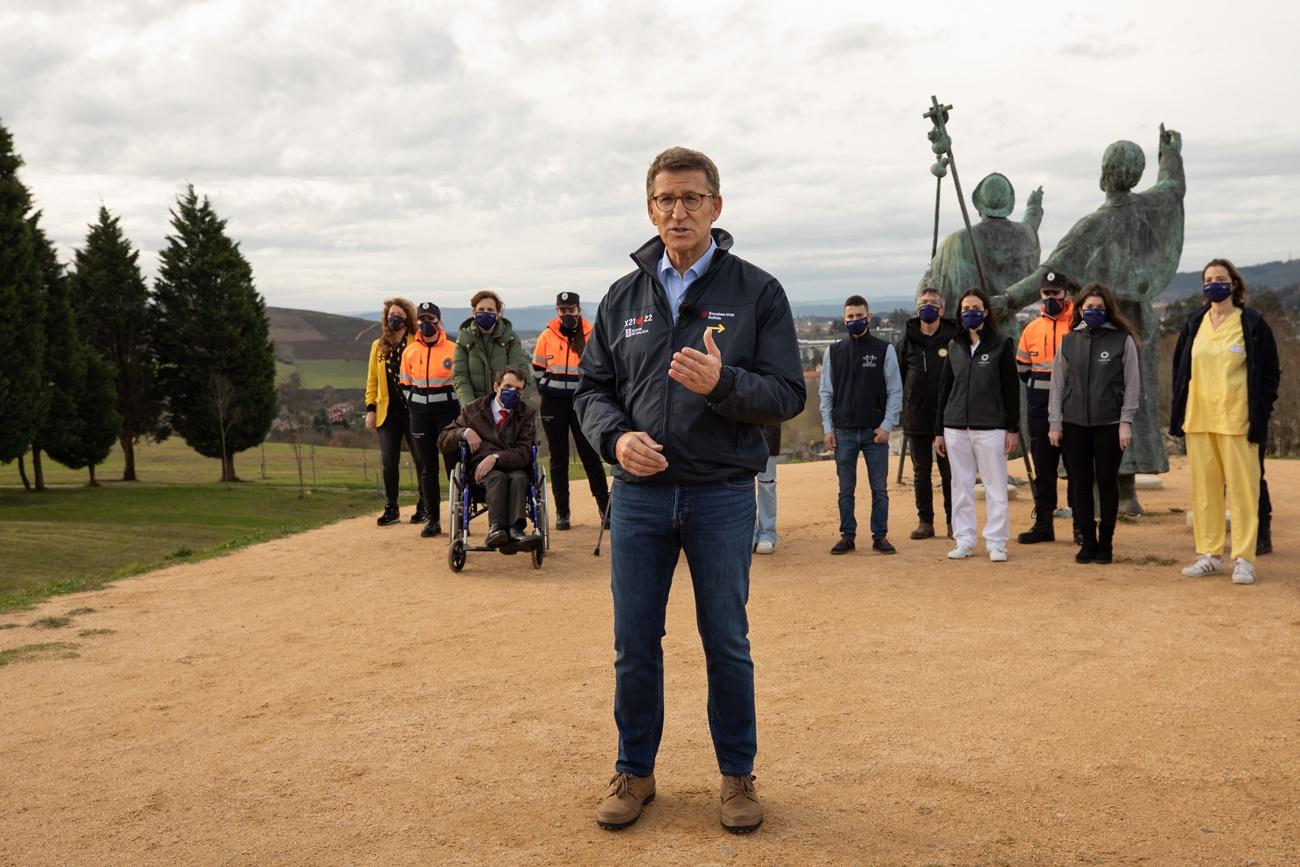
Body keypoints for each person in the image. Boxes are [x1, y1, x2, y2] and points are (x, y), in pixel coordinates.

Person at [575, 146, 805, 834]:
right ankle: (635, 771)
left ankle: (737, 778)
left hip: (721, 495)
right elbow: (592, 389)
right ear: (651, 208)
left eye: (692, 198)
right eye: (666, 199)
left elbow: (788, 393)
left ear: (716, 206)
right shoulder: (622, 297)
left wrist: (723, 384)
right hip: (640, 498)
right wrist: (615, 439)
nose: (679, 210)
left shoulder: (757, 292)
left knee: (725, 639)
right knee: (634, 641)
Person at [1169, 259, 1280, 585]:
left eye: (1220, 278)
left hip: (1237, 421)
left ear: (1233, 284)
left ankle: (1244, 558)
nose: (1213, 284)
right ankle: (1209, 555)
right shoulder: (1195, 322)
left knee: (1245, 492)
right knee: (1205, 492)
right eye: (1208, 279)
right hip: (1200, 419)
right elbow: (1180, 371)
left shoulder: (1252, 323)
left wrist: (1260, 410)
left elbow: (1271, 374)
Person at [1047, 283, 1140, 564]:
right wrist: (1055, 423)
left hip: (1109, 423)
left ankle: (1106, 543)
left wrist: (1126, 421)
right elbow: (1057, 386)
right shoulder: (1069, 341)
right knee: (1081, 484)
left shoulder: (1122, 340)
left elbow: (1132, 384)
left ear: (1108, 309)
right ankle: (1087, 541)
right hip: (1074, 424)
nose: (1094, 312)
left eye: (1099, 308)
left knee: (1107, 482)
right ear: (1080, 310)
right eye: (1089, 308)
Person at [935, 287, 1020, 562]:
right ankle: (965, 539)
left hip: (991, 427)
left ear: (985, 312)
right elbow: (945, 389)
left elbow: (1010, 388)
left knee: (995, 487)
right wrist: (939, 430)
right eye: (965, 309)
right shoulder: (954, 345)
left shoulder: (1001, 343)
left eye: (976, 308)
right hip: (956, 426)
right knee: (960, 486)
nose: (970, 313)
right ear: (959, 314)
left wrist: (1012, 427)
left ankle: (996, 542)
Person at [820, 296, 902, 555]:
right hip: (843, 432)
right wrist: (827, 428)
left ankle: (880, 536)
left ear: (869, 317)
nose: (855, 320)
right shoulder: (833, 352)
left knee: (879, 489)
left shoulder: (883, 350)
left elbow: (895, 391)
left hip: (875, 433)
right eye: (850, 316)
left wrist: (888, 425)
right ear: (844, 319)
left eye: (859, 316)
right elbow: (826, 393)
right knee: (846, 490)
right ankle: (848, 536)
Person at [436, 365, 541, 551]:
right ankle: (497, 530)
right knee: (496, 477)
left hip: (514, 466)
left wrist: (496, 457)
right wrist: (464, 432)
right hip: (481, 471)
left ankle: (516, 531)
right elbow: (443, 439)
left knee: (518, 478)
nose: (512, 392)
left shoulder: (526, 415)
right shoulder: (473, 411)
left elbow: (524, 452)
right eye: (507, 386)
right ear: (496, 387)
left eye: (517, 389)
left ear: (523, 391)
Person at [532, 291, 611, 530]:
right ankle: (562, 512)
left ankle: (604, 508)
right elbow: (537, 370)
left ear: (578, 310)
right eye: (562, 311)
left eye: (571, 310)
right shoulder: (546, 336)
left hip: (582, 403)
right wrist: (548, 388)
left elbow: (600, 367)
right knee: (559, 458)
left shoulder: (592, 334)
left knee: (590, 455)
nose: (567, 315)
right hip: (553, 403)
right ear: (557, 311)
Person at [1016, 270, 1078, 545]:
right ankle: (1043, 524)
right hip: (1039, 408)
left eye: (1056, 293)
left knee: (1077, 469)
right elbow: (1022, 368)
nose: (1051, 298)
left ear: (1066, 293)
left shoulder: (1079, 324)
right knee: (1044, 468)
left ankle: (1081, 525)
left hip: (1074, 407)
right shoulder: (1031, 329)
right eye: (1046, 294)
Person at [896, 287, 959, 539]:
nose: (928, 306)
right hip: (917, 416)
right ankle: (925, 521)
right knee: (921, 472)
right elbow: (898, 379)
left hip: (949, 417)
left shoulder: (955, 339)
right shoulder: (906, 341)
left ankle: (954, 522)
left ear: (942, 310)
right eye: (923, 302)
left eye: (933, 303)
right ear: (916, 309)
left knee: (949, 473)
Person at [364, 296, 426, 526]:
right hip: (386, 413)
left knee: (421, 460)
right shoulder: (378, 346)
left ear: (408, 318)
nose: (394, 319)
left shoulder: (416, 342)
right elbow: (372, 380)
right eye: (391, 315)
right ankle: (391, 508)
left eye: (399, 315)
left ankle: (424, 505)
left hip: (413, 411)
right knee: (389, 461)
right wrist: (370, 408)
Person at [401, 302, 460, 538]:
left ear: (438, 321)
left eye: (430, 319)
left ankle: (459, 518)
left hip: (447, 415)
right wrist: (416, 405)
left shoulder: (453, 350)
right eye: (422, 319)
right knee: (427, 469)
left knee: (453, 467)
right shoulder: (410, 351)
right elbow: (405, 384)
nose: (426, 324)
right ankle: (433, 519)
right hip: (419, 417)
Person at [452, 290, 528, 406]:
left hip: (505, 406)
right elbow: (460, 377)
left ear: (498, 313)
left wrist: (510, 400)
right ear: (474, 312)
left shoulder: (510, 338)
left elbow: (520, 371)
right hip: (475, 409)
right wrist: (470, 406)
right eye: (481, 309)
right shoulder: (464, 339)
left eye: (490, 310)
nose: (485, 313)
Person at [752, 425, 780, 554]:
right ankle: (748, 533)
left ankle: (767, 533)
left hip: (769, 432)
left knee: (767, 485)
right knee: (743, 484)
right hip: (738, 435)